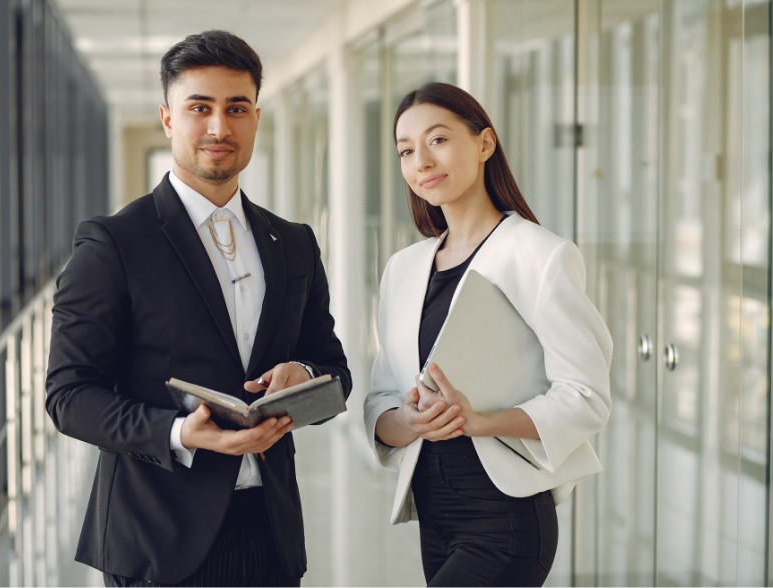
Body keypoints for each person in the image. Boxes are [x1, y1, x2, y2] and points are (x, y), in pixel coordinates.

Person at [45, 30, 351, 587]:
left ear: (256, 118)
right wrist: (181, 432)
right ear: (168, 118)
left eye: (236, 108)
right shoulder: (113, 243)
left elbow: (334, 371)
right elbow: (68, 396)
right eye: (199, 108)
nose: (219, 126)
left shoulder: (295, 243)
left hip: (270, 536)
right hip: (156, 541)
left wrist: (303, 375)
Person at [363, 82, 612, 587]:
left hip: (506, 516)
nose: (421, 162)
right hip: (434, 514)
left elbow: (587, 398)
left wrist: (480, 421)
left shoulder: (540, 256)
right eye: (406, 151)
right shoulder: (403, 268)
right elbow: (379, 404)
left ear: (484, 143)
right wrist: (409, 419)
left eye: (438, 140)